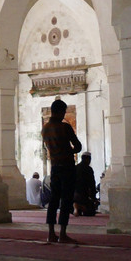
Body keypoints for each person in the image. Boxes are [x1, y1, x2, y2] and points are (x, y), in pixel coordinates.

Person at [42, 99, 82, 243]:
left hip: (54, 166)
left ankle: (51, 233)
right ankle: (63, 234)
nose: (64, 114)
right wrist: (69, 150)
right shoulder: (65, 127)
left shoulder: (45, 129)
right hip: (67, 166)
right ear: (59, 111)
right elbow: (78, 146)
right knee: (66, 200)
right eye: (64, 112)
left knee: (53, 200)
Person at [74, 152, 98, 216]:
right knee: (90, 213)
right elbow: (92, 183)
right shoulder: (89, 169)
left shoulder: (75, 167)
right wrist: (93, 197)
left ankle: (76, 208)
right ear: (88, 159)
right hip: (84, 194)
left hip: (74, 194)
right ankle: (81, 207)